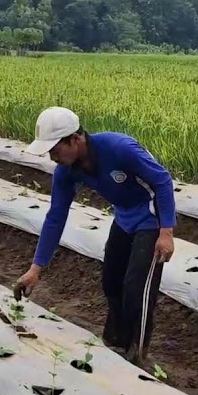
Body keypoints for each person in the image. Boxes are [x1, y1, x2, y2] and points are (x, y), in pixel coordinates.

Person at [13, 106, 176, 364]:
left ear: (75, 139)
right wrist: (36, 268)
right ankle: (116, 342)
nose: (52, 157)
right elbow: (55, 216)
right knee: (111, 281)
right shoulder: (66, 170)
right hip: (123, 216)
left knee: (137, 288)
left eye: (55, 150)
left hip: (150, 215)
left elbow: (163, 180)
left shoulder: (119, 148)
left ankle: (137, 353)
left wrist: (166, 232)